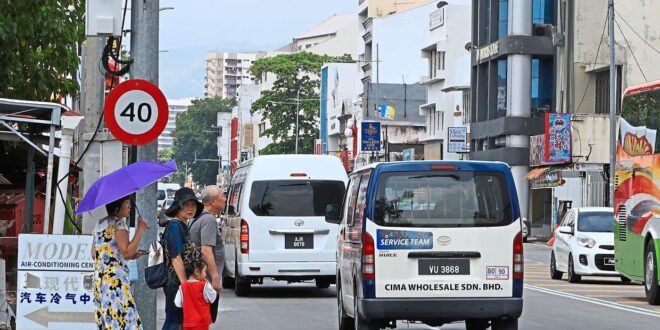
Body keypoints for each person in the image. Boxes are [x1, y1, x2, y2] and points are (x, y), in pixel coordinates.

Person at [92, 195, 148, 329]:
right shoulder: (119, 224)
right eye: (127, 203)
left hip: (101, 281)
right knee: (124, 320)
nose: (129, 206)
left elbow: (94, 254)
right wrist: (140, 230)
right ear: (117, 205)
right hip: (115, 281)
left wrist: (121, 256)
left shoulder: (99, 224)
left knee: (109, 320)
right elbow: (127, 252)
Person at [162, 187, 203, 330]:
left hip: (179, 281)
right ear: (178, 206)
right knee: (174, 320)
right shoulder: (175, 226)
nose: (191, 208)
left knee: (177, 319)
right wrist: (184, 284)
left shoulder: (182, 224)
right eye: (186, 205)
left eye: (193, 205)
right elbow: (175, 257)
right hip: (175, 281)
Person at [188, 185, 226, 323]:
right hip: (206, 279)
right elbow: (206, 250)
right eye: (223, 195)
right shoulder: (208, 220)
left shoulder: (197, 217)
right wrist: (215, 278)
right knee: (205, 319)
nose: (225, 198)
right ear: (213, 201)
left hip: (199, 276)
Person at [174, 259, 217, 330]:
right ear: (197, 271)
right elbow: (213, 298)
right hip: (202, 323)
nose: (205, 274)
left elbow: (178, 303)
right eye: (204, 271)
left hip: (188, 323)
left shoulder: (182, 287)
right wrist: (207, 282)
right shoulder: (204, 286)